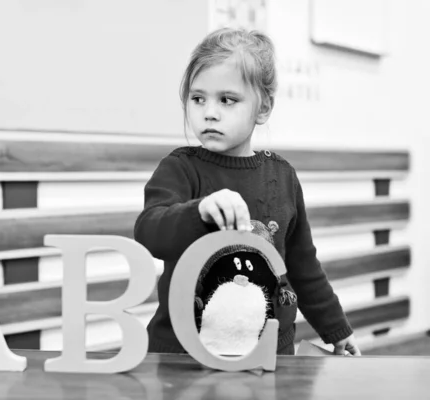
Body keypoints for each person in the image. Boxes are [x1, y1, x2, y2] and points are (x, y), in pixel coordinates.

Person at [134, 27, 360, 356]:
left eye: (227, 100)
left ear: (263, 108)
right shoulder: (180, 167)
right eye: (198, 98)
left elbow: (303, 266)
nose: (209, 111)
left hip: (269, 356)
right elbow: (149, 231)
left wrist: (336, 330)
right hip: (183, 356)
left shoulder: (282, 176)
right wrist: (198, 212)